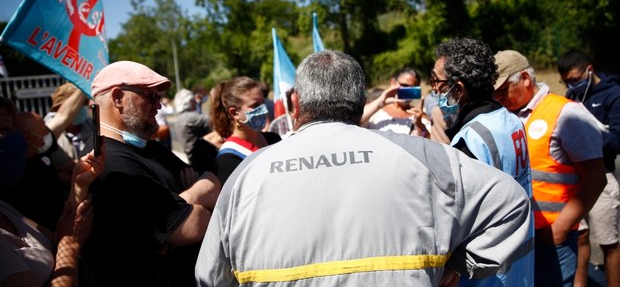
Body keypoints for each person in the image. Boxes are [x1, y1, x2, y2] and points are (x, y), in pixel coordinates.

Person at [195, 50, 533, 286]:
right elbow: (514, 204)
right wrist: (457, 265)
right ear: (360, 101)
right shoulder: (428, 157)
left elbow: (210, 275)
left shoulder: (248, 173)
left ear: (296, 105)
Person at [82, 60, 221, 287]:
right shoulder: (110, 162)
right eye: (151, 97)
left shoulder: (150, 147)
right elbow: (194, 224)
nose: (159, 106)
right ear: (118, 98)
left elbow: (214, 183)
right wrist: (191, 201)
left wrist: (177, 202)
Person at [494, 49, 607, 286]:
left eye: (503, 90)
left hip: (551, 240)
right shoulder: (506, 116)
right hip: (516, 237)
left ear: (525, 79)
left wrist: (560, 229)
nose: (499, 97)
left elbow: (596, 177)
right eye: (494, 92)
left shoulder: (566, 114)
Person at [431, 38, 534, 286]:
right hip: (520, 261)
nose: (434, 88)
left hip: (488, 274)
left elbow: (459, 220)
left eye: (437, 81)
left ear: (458, 88)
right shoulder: (509, 119)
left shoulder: (471, 140)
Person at [557, 49, 620, 287]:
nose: (572, 85)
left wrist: (587, 136)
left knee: (608, 242)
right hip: (575, 179)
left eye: (575, 80)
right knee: (579, 237)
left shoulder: (613, 95)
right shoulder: (571, 96)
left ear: (589, 70)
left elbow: (617, 139)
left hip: (602, 176)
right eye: (567, 82)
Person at [0, 150, 104, 287]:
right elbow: (66, 243)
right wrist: (70, 246)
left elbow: (57, 240)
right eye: (3, 132)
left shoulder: (3, 208)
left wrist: (79, 186)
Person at [209, 76, 281, 185]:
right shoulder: (228, 158)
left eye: (263, 102)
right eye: (255, 105)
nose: (263, 109)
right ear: (235, 113)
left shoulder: (274, 139)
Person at [3, 111, 67, 231]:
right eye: (43, 129)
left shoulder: (40, 156)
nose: (47, 133)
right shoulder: (17, 173)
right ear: (28, 136)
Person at [44, 82, 92, 187]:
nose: (80, 109)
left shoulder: (92, 127)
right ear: (59, 108)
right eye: (77, 105)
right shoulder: (47, 132)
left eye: (83, 104)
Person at [362, 67, 429, 137]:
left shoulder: (420, 117)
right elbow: (355, 121)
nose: (407, 91)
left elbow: (427, 141)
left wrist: (419, 125)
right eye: (404, 86)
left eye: (412, 89)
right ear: (393, 82)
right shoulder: (376, 111)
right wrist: (380, 103)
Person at [174, 88, 218, 174]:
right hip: (204, 162)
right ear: (189, 102)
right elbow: (215, 121)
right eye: (193, 100)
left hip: (194, 160)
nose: (195, 101)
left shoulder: (180, 119)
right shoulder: (191, 118)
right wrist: (215, 100)